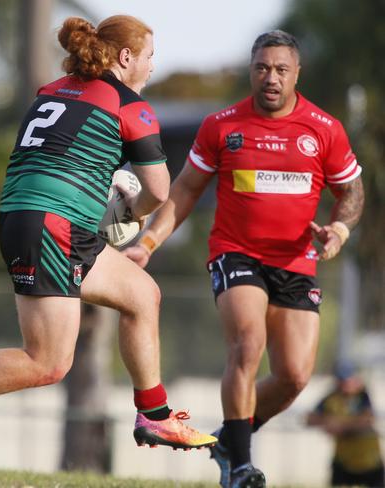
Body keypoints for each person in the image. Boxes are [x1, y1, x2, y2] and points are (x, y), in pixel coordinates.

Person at [0, 15, 216, 464]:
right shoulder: (130, 104)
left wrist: (96, 211)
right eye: (149, 59)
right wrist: (131, 213)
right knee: (47, 362)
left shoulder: (56, 88)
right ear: (126, 58)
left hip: (32, 218)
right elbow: (160, 191)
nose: (151, 69)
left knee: (143, 296)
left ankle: (155, 414)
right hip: (54, 226)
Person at [124, 29, 364, 487]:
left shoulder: (325, 129)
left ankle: (231, 438)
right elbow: (185, 190)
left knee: (294, 377)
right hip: (236, 253)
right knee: (247, 343)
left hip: (296, 262)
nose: (270, 78)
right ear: (250, 71)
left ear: (297, 74)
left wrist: (339, 228)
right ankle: (240, 467)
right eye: (261, 68)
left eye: (280, 69)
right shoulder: (223, 125)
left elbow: (351, 190)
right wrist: (149, 242)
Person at [307, 362, 385, 487]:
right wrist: (328, 422)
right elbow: (310, 419)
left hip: (370, 462)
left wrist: (340, 426)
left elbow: (367, 420)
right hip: (343, 462)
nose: (345, 385)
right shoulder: (332, 398)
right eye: (342, 380)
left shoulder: (363, 396)